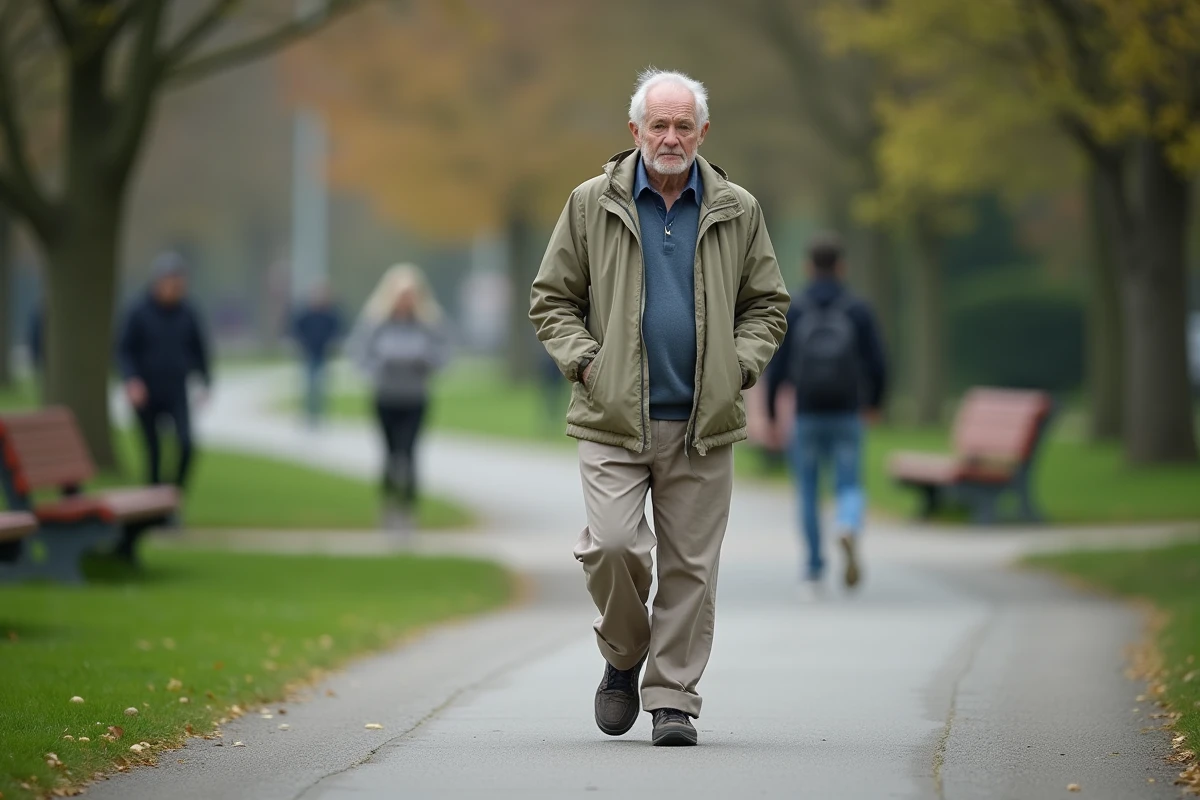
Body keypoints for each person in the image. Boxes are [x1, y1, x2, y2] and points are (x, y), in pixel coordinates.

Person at [529, 69, 789, 747]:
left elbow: (767, 305)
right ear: (635, 131)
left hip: (703, 425)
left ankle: (673, 698)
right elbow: (551, 298)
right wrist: (586, 361)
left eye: (683, 126)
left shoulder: (738, 208)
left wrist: (742, 365)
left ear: (703, 132)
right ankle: (623, 654)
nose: (670, 137)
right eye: (658, 125)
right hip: (613, 419)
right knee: (612, 547)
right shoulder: (590, 204)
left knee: (690, 572)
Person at [765, 233, 888, 593]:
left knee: (807, 490)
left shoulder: (797, 308)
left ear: (808, 267)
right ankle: (847, 524)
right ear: (841, 267)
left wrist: (773, 415)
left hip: (807, 413)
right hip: (847, 411)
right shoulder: (858, 309)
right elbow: (879, 364)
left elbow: (778, 367)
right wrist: (875, 403)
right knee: (848, 483)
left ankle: (814, 568)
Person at [116, 251, 212, 549]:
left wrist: (205, 381)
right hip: (146, 393)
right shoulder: (138, 310)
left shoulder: (187, 312)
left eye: (179, 281)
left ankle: (171, 501)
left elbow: (200, 348)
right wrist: (131, 381)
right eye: (169, 281)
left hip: (176, 390)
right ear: (158, 282)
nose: (174, 287)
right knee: (153, 453)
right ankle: (155, 513)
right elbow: (124, 350)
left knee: (186, 444)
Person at [347, 264, 448, 531]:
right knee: (390, 455)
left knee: (409, 452)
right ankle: (388, 505)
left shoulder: (428, 323)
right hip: (386, 396)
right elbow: (359, 353)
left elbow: (443, 355)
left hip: (415, 397)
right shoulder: (376, 322)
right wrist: (378, 366)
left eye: (410, 294)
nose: (405, 300)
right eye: (401, 293)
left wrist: (422, 359)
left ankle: (409, 509)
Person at [289, 282, 344, 427]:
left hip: (324, 355)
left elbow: (337, 331)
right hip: (308, 354)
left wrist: (333, 344)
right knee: (309, 385)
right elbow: (295, 330)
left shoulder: (331, 314)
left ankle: (320, 414)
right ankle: (309, 415)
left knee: (322, 386)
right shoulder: (305, 314)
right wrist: (299, 345)